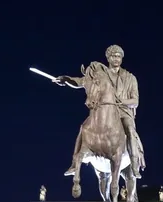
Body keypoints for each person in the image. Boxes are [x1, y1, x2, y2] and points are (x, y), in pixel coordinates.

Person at [57, 44, 145, 178]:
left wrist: (120, 101)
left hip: (122, 112)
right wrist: (66, 79)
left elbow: (135, 101)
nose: (116, 59)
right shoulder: (101, 75)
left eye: (118, 56)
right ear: (108, 58)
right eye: (113, 56)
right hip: (103, 111)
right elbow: (82, 81)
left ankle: (134, 163)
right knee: (83, 127)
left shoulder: (130, 78)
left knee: (130, 129)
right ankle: (74, 163)